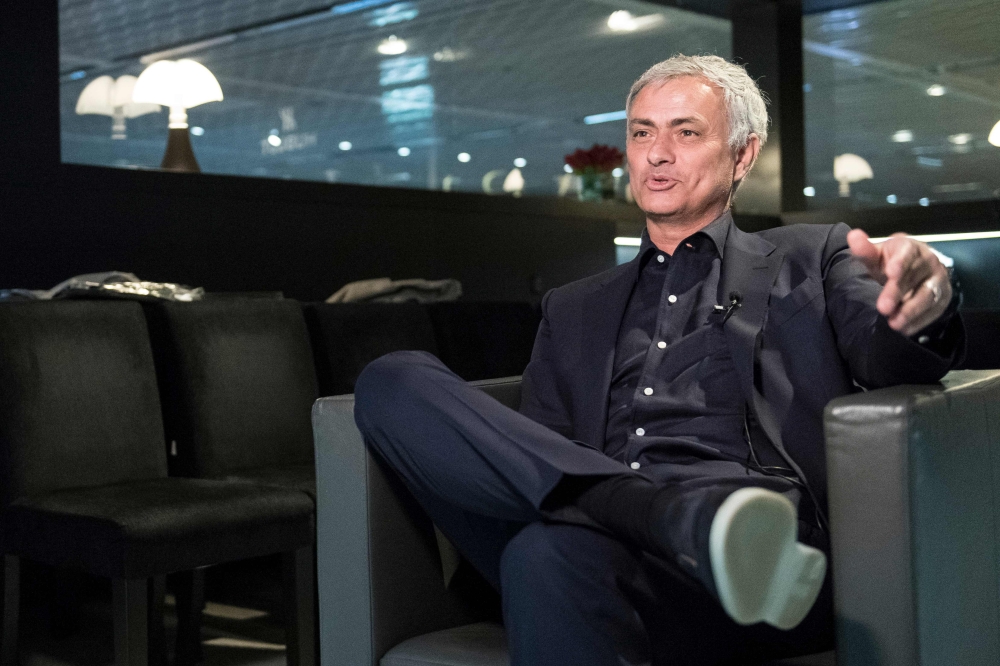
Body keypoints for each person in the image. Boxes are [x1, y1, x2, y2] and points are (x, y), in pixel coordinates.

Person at [353, 54, 964, 666]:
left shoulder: (814, 256)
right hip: (603, 544)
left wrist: (925, 305)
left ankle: (690, 523)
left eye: (686, 131)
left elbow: (889, 354)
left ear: (743, 155)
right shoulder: (573, 307)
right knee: (391, 378)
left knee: (546, 555)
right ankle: (665, 515)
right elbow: (537, 461)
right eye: (642, 131)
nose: (656, 153)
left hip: (753, 556)